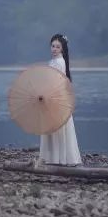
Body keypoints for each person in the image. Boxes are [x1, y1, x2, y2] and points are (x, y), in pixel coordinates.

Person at [35, 33, 82, 167]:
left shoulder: (59, 62)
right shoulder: (56, 61)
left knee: (55, 129)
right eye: (53, 46)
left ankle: (55, 158)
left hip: (56, 98)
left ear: (62, 49)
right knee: (56, 129)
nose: (54, 49)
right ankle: (57, 157)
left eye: (57, 47)